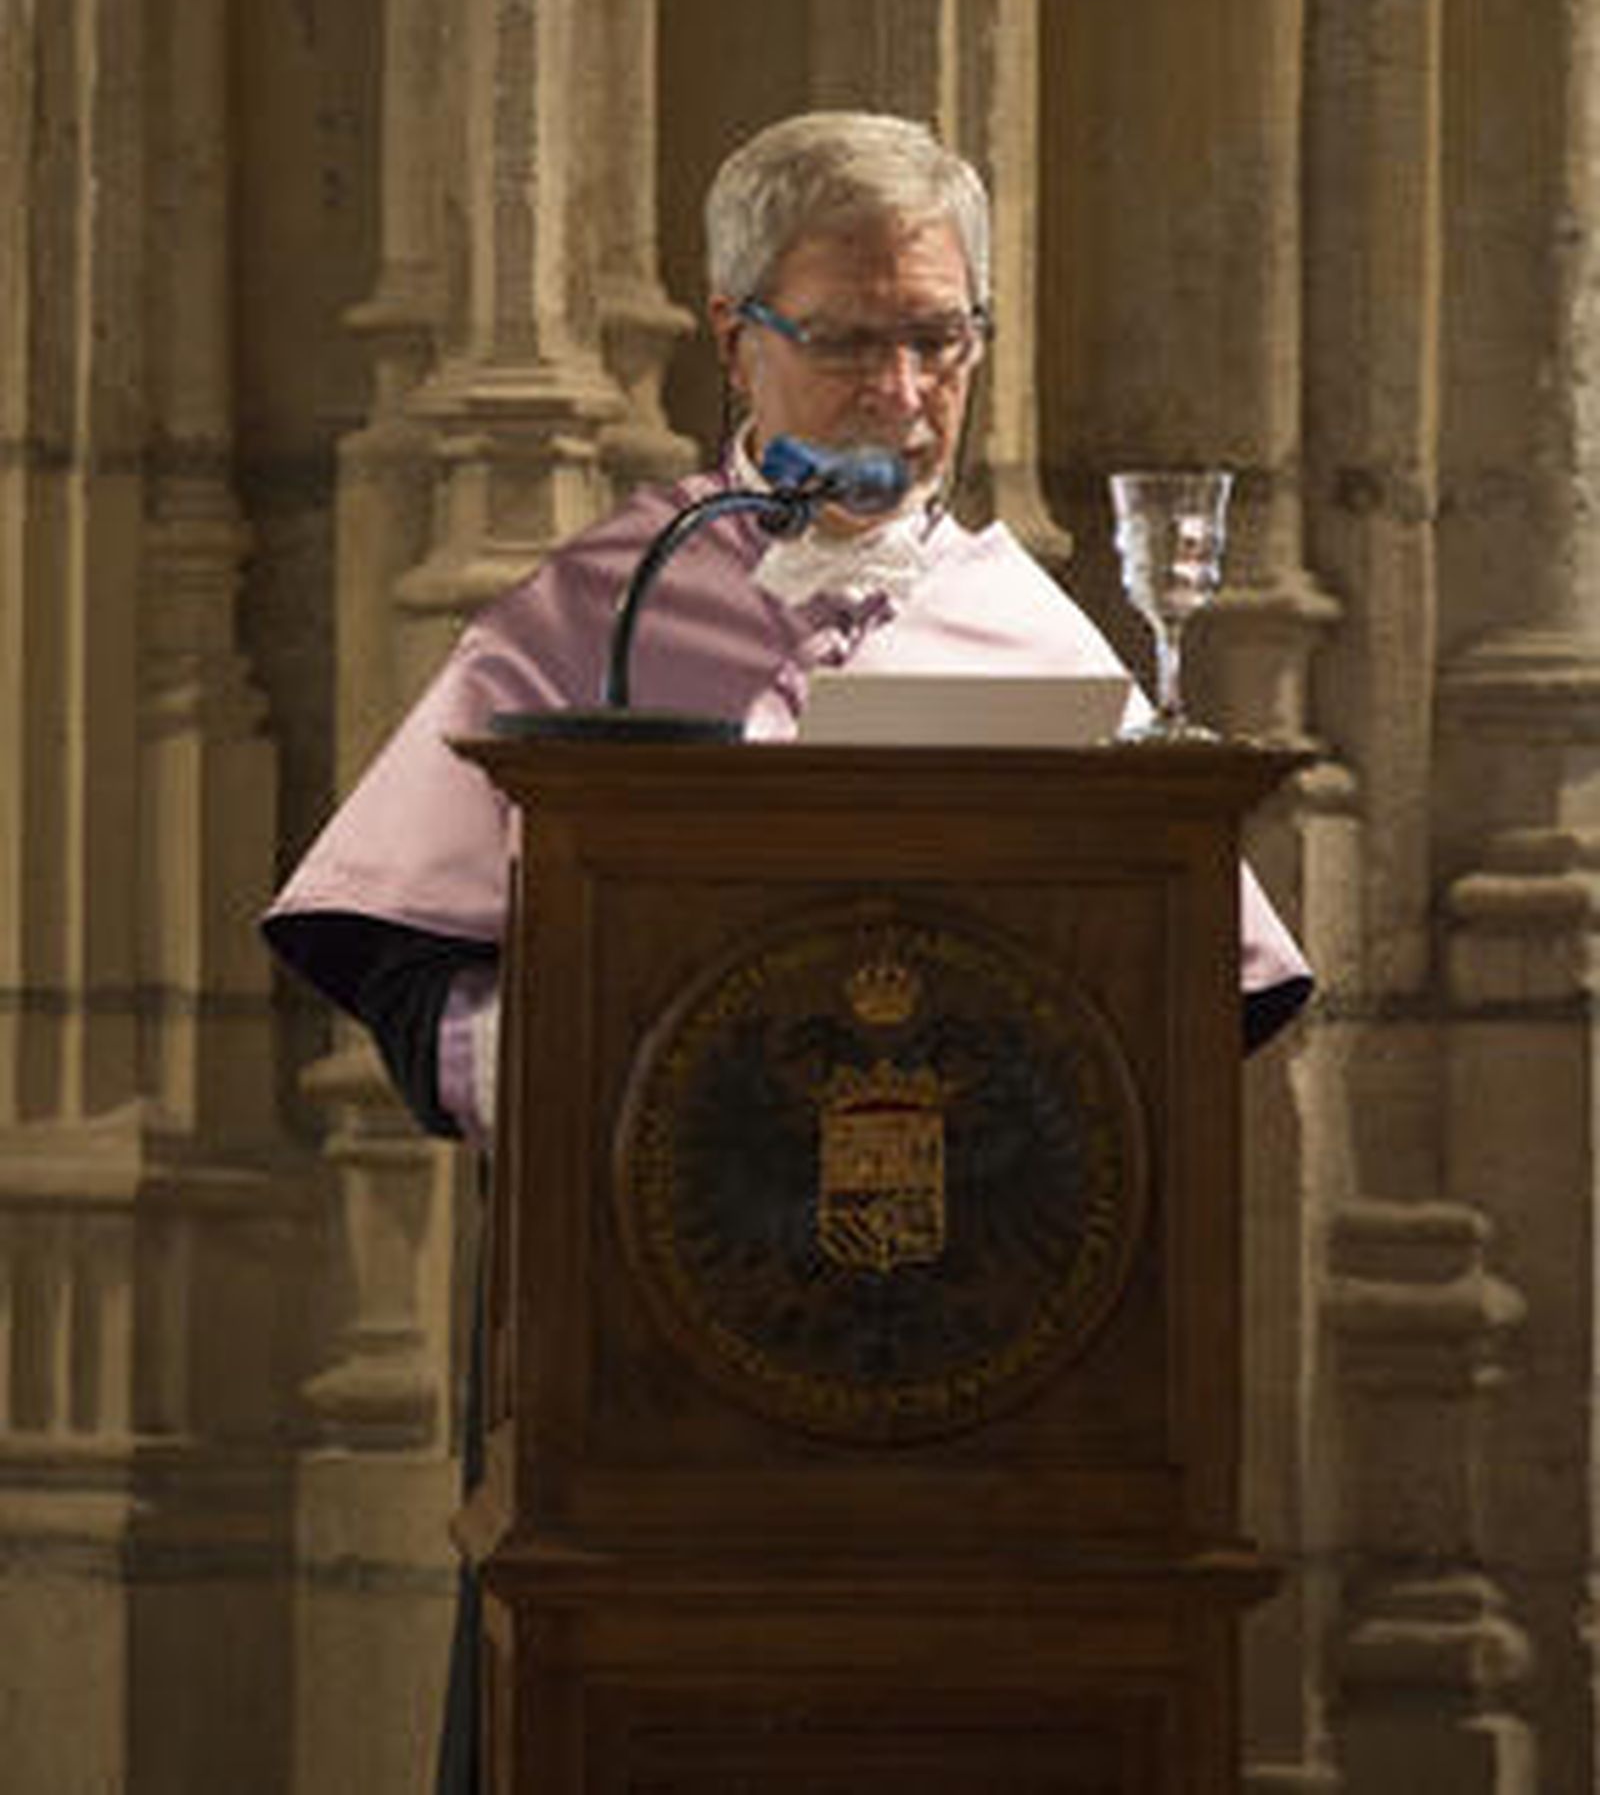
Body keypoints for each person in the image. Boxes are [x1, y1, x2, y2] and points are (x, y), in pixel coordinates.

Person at [263, 110, 1313, 1789]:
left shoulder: (1031, 628)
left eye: (938, 337)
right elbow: (388, 947)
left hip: (990, 1398)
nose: (901, 391)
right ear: (731, 335)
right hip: (647, 1385)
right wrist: (545, 1070)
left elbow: (1206, 998)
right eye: (845, 340)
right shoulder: (608, 602)